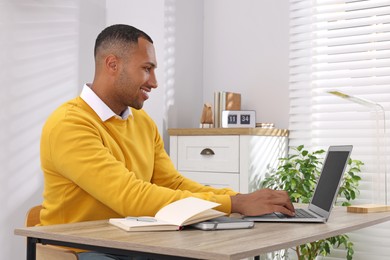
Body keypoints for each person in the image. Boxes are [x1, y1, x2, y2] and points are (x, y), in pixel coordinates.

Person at [40, 24, 295, 260]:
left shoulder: (142, 122)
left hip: (129, 243)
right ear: (112, 64)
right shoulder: (69, 124)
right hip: (78, 250)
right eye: (147, 68)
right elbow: (130, 197)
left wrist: (239, 197)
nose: (154, 82)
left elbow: (172, 183)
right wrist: (234, 204)